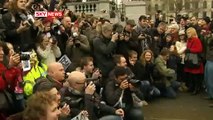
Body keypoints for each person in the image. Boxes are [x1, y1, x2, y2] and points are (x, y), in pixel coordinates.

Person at [184, 27, 204, 95]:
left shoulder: (196, 40)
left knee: (195, 75)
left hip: (194, 59)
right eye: (187, 33)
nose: (188, 34)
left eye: (189, 32)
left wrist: (190, 50)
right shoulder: (188, 40)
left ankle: (196, 88)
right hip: (190, 59)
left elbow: (199, 49)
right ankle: (192, 87)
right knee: (191, 75)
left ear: (193, 33)